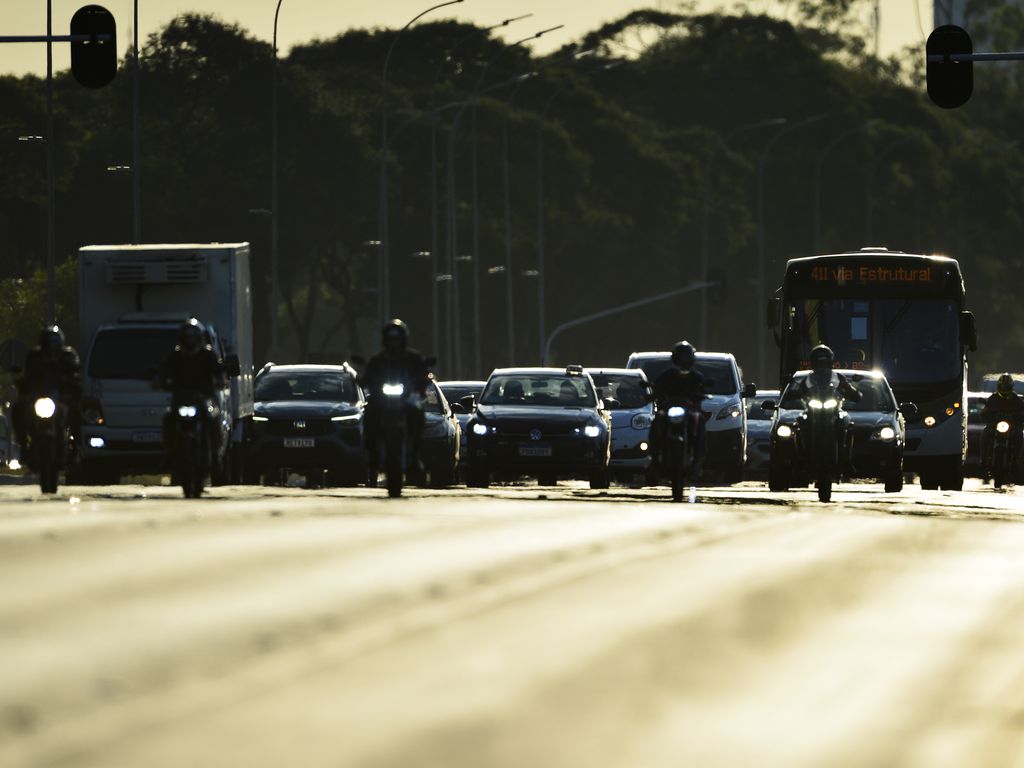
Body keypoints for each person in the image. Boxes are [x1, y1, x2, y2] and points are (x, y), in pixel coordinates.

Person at [360, 319, 430, 481]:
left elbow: (424, 374)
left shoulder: (414, 358)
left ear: (403, 340)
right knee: (369, 413)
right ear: (385, 340)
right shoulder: (377, 360)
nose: (394, 343)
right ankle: (373, 454)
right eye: (391, 340)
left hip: (406, 399)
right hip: (382, 400)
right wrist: (363, 381)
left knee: (418, 414)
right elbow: (367, 377)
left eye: (397, 340)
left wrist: (423, 381)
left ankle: (414, 456)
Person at [158, 318, 226, 469]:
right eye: (186, 338)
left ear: (199, 338)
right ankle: (169, 452)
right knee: (168, 418)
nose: (190, 342)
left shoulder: (208, 355)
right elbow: (164, 373)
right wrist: (160, 382)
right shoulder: (175, 356)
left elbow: (219, 373)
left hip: (205, 397)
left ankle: (215, 455)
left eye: (193, 338)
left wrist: (221, 381)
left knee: (214, 417)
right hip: (181, 398)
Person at [13, 326, 81, 467]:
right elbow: (27, 376)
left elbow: (75, 377)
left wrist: (72, 391)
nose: (52, 349)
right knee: (18, 408)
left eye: (55, 344)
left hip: (60, 397)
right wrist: (23, 388)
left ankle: (76, 448)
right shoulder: (34, 356)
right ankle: (24, 445)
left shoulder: (68, 356)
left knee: (77, 411)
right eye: (49, 344)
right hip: (37, 396)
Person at [793, 344, 861, 473]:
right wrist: (794, 394)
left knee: (846, 421)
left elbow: (849, 389)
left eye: (824, 362)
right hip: (813, 410)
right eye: (819, 363)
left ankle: (846, 458)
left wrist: (854, 394)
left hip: (833, 411)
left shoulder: (838, 377)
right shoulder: (808, 378)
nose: (822, 366)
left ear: (830, 362)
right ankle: (801, 458)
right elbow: (799, 390)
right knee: (800, 423)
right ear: (813, 363)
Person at [650, 341, 707, 475]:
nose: (684, 360)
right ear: (675, 358)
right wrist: (652, 395)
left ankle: (697, 460)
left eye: (687, 357)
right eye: (681, 357)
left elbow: (702, 390)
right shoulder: (666, 375)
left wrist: (702, 395)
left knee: (700, 422)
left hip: (689, 411)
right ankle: (654, 458)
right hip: (669, 409)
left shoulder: (696, 377)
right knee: (656, 421)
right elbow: (656, 388)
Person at [981, 373, 1024, 474]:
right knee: (985, 434)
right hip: (994, 426)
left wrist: (1019, 416)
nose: (1005, 388)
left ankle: (1016, 460)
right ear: (999, 386)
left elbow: (1022, 412)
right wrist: (986, 414)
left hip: (1012, 427)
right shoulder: (992, 398)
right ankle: (983, 459)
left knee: (1019, 435)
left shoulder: (1017, 400)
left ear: (1011, 387)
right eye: (1003, 386)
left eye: (1007, 386)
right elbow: (984, 412)